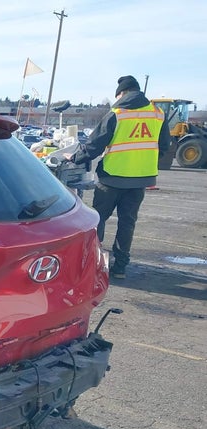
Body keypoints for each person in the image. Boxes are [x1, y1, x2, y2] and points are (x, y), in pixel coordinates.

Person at [71, 75, 170, 279]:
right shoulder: (158, 114)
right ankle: (120, 268)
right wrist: (142, 162)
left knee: (98, 219)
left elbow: (95, 145)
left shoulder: (117, 114)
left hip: (112, 178)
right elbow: (164, 147)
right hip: (140, 180)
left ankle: (93, 263)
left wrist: (74, 158)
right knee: (127, 222)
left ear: (122, 93)